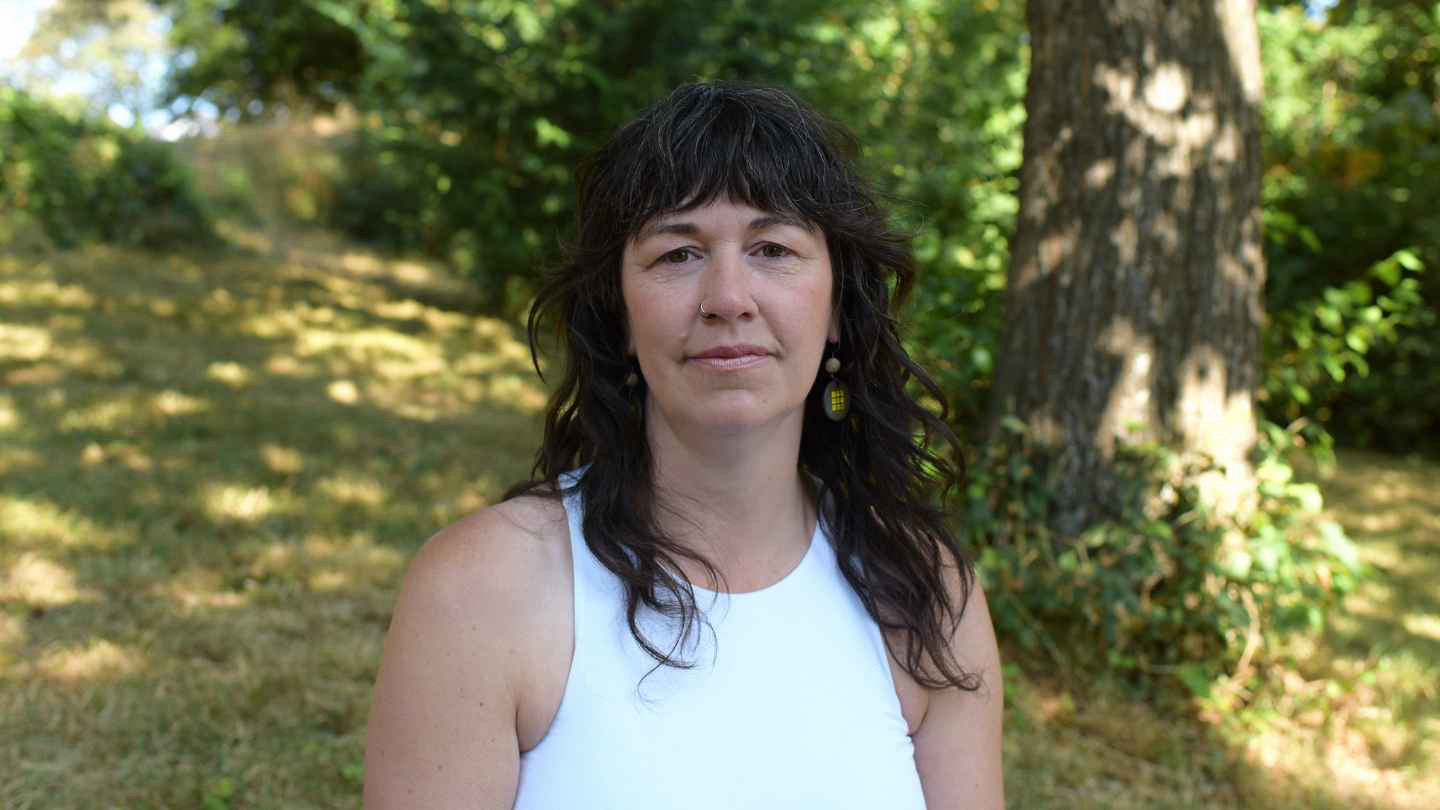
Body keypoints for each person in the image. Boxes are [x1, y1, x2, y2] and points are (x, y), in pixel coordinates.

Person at [363, 81, 1004, 809]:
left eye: (772, 248)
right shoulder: (479, 590)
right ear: (621, 316)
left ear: (837, 309)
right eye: (677, 254)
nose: (729, 298)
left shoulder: (927, 595)